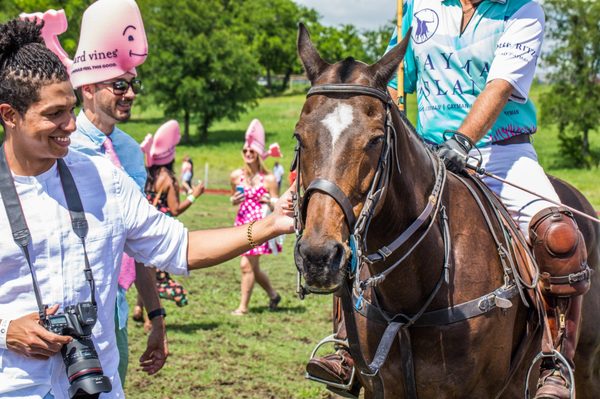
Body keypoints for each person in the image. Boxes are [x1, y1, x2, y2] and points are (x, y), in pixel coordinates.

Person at [307, 2, 591, 399]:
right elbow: (393, 77)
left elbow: (501, 85)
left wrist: (464, 139)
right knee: (357, 215)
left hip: (501, 150)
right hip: (423, 150)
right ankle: (347, 346)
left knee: (561, 237)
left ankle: (553, 360)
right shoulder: (418, 5)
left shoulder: (523, 11)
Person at [0, 18, 294, 399]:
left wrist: (270, 225)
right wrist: (6, 329)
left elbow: (180, 247)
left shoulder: (104, 180)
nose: (70, 125)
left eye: (71, 110)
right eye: (54, 114)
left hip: (97, 386)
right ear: (9, 115)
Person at [44, 0, 166, 386]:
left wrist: (156, 316)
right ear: (90, 87)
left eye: (133, 84)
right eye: (120, 84)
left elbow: (139, 239)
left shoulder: (130, 152)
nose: (130, 93)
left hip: (112, 315)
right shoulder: (58, 144)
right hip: (52, 317)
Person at [134, 120, 205, 329]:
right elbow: (175, 209)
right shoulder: (168, 179)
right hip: (159, 229)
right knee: (154, 274)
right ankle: (150, 318)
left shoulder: (148, 173)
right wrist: (194, 196)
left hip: (143, 225)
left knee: (144, 268)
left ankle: (138, 308)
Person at [230, 119, 283, 316]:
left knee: (246, 265)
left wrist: (269, 200)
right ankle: (273, 294)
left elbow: (277, 205)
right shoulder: (236, 176)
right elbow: (234, 198)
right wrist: (234, 200)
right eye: (245, 151)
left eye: (252, 151)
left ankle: (243, 307)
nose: (248, 154)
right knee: (254, 267)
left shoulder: (269, 179)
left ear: (258, 154)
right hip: (242, 222)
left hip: (260, 224)